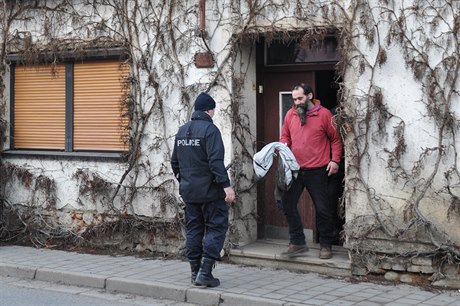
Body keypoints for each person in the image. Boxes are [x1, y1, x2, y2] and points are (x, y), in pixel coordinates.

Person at [171, 92, 235, 288]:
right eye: (213, 109)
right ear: (210, 110)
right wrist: (226, 186)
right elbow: (215, 162)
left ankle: (194, 272)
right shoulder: (210, 130)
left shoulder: (182, 131)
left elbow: (175, 163)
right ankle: (205, 273)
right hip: (210, 192)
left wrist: (185, 181)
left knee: (193, 230)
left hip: (189, 192)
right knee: (216, 227)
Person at [279, 83, 343, 259]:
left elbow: (336, 139)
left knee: (323, 209)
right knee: (287, 204)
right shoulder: (290, 114)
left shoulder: (324, 114)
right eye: (294, 99)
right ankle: (298, 242)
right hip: (295, 170)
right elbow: (285, 136)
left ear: (309, 96)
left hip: (318, 170)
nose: (297, 102)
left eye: (300, 98)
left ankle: (326, 245)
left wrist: (335, 161)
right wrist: (284, 145)